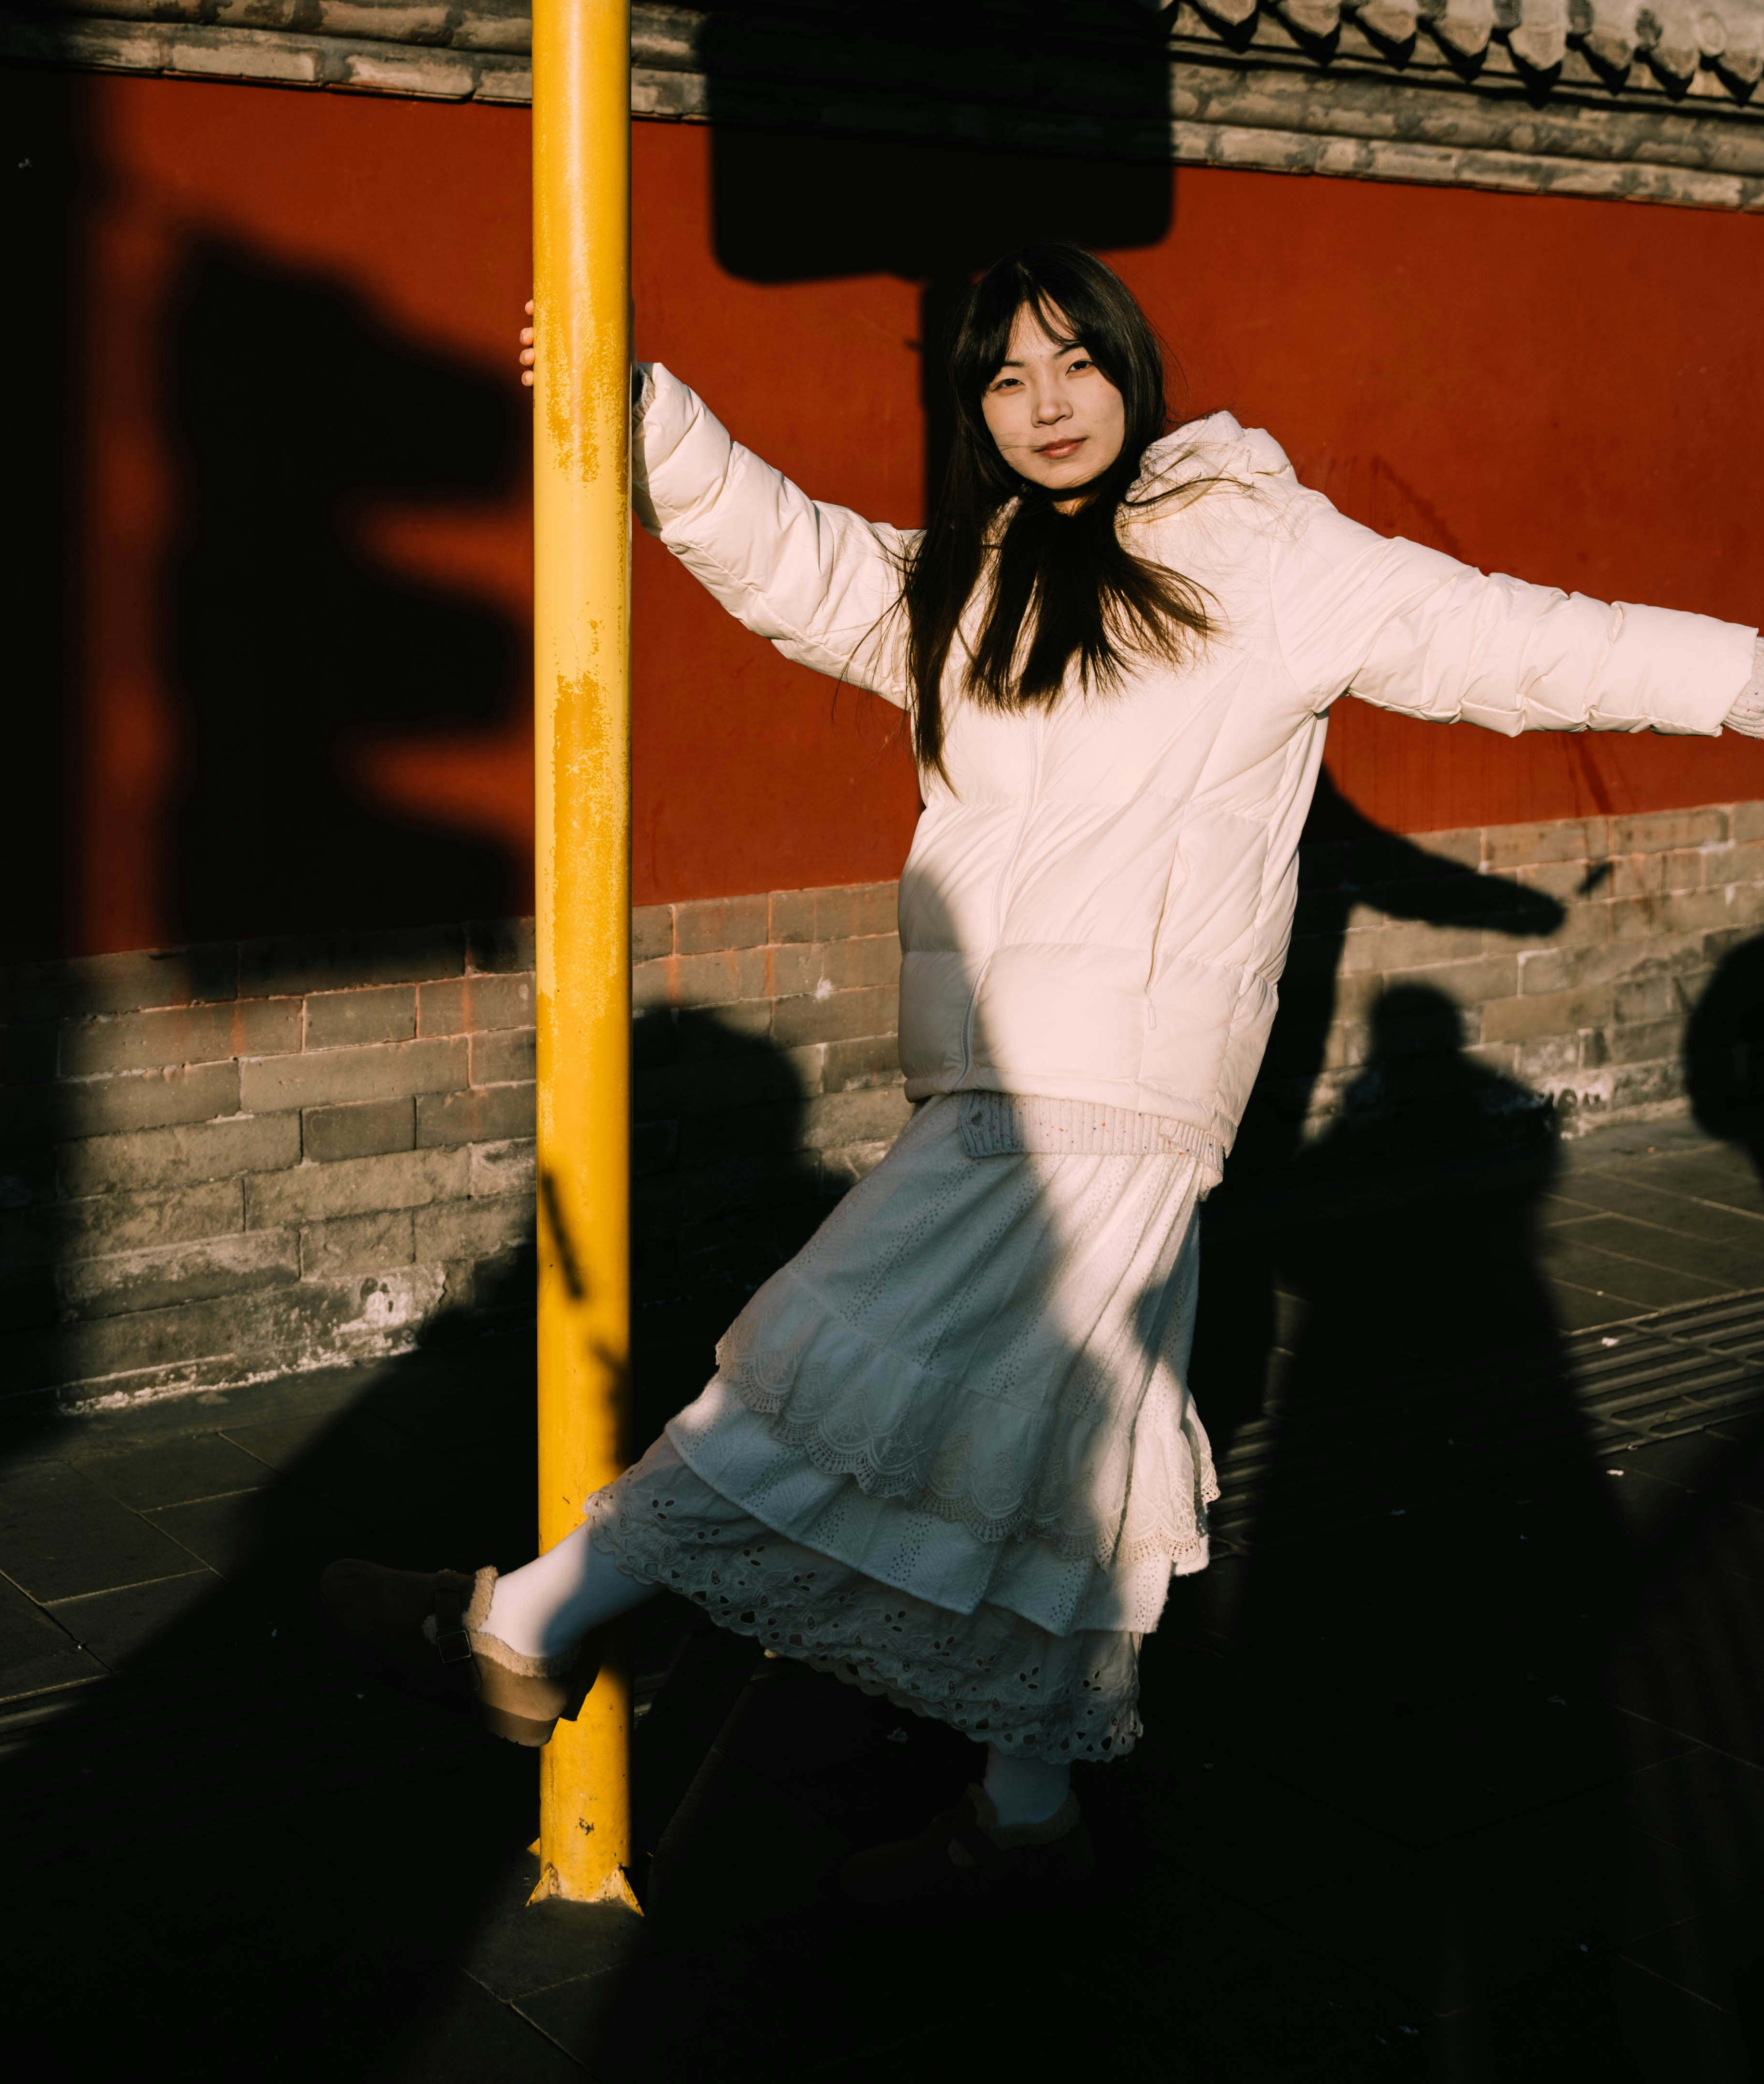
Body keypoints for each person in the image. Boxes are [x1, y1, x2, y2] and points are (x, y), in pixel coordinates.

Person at [324, 243, 1764, 1919]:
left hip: (1102, 1091)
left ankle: (527, 1628)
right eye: (1004, 381)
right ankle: (1024, 1827)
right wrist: (641, 413)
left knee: (809, 1366)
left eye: (1072, 363)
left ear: (1133, 368)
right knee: (1070, 1466)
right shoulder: (983, 580)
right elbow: (801, 564)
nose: (1045, 405)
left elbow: (1539, 648)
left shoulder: (1267, 551)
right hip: (1015, 1084)